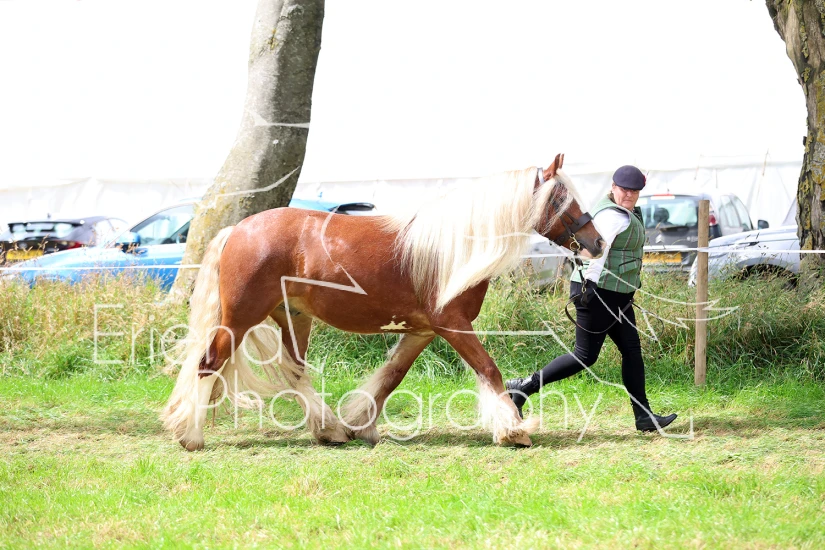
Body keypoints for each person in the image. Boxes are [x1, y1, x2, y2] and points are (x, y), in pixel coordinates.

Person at [506, 165, 677, 432]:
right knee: (584, 356)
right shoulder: (612, 216)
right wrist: (590, 286)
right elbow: (598, 254)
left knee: (631, 351)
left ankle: (644, 416)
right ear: (613, 187)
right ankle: (523, 387)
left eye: (634, 191)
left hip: (617, 295)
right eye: (624, 190)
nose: (629, 195)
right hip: (597, 291)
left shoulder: (625, 213)